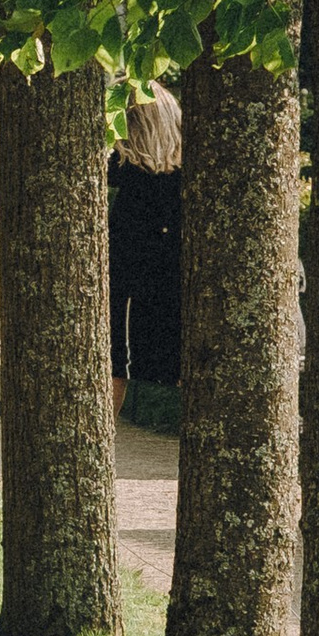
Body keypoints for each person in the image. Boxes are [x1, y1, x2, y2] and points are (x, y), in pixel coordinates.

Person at [108, 86, 184, 418]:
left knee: (115, 362)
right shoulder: (184, 177)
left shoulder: (122, 173)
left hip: (127, 285)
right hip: (173, 282)